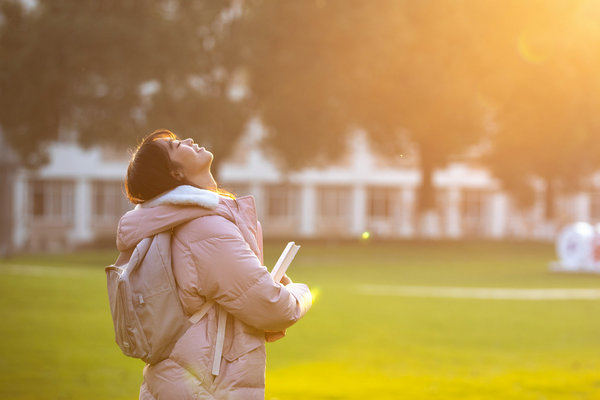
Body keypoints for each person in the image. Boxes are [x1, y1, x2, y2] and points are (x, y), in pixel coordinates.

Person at [116, 129, 312, 399]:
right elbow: (272, 307)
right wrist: (301, 293)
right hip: (206, 388)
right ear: (175, 174)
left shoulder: (179, 223)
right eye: (175, 146)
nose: (187, 140)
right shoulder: (205, 229)